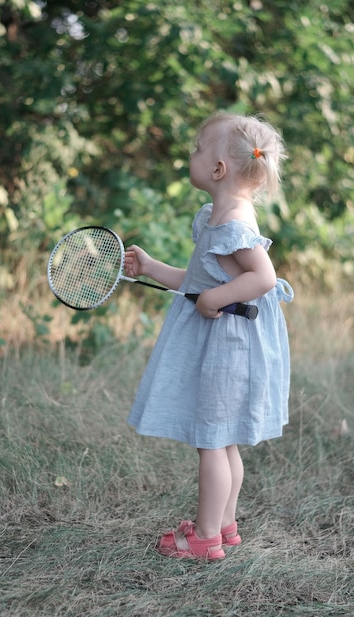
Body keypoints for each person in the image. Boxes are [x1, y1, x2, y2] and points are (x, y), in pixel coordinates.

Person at [124, 112, 294, 560]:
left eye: (198, 148)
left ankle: (203, 538)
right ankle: (224, 524)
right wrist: (151, 268)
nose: (191, 154)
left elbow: (263, 278)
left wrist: (214, 300)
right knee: (223, 440)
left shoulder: (235, 225)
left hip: (229, 348)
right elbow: (198, 278)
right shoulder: (216, 217)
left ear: (218, 169)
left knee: (211, 443)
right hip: (228, 345)